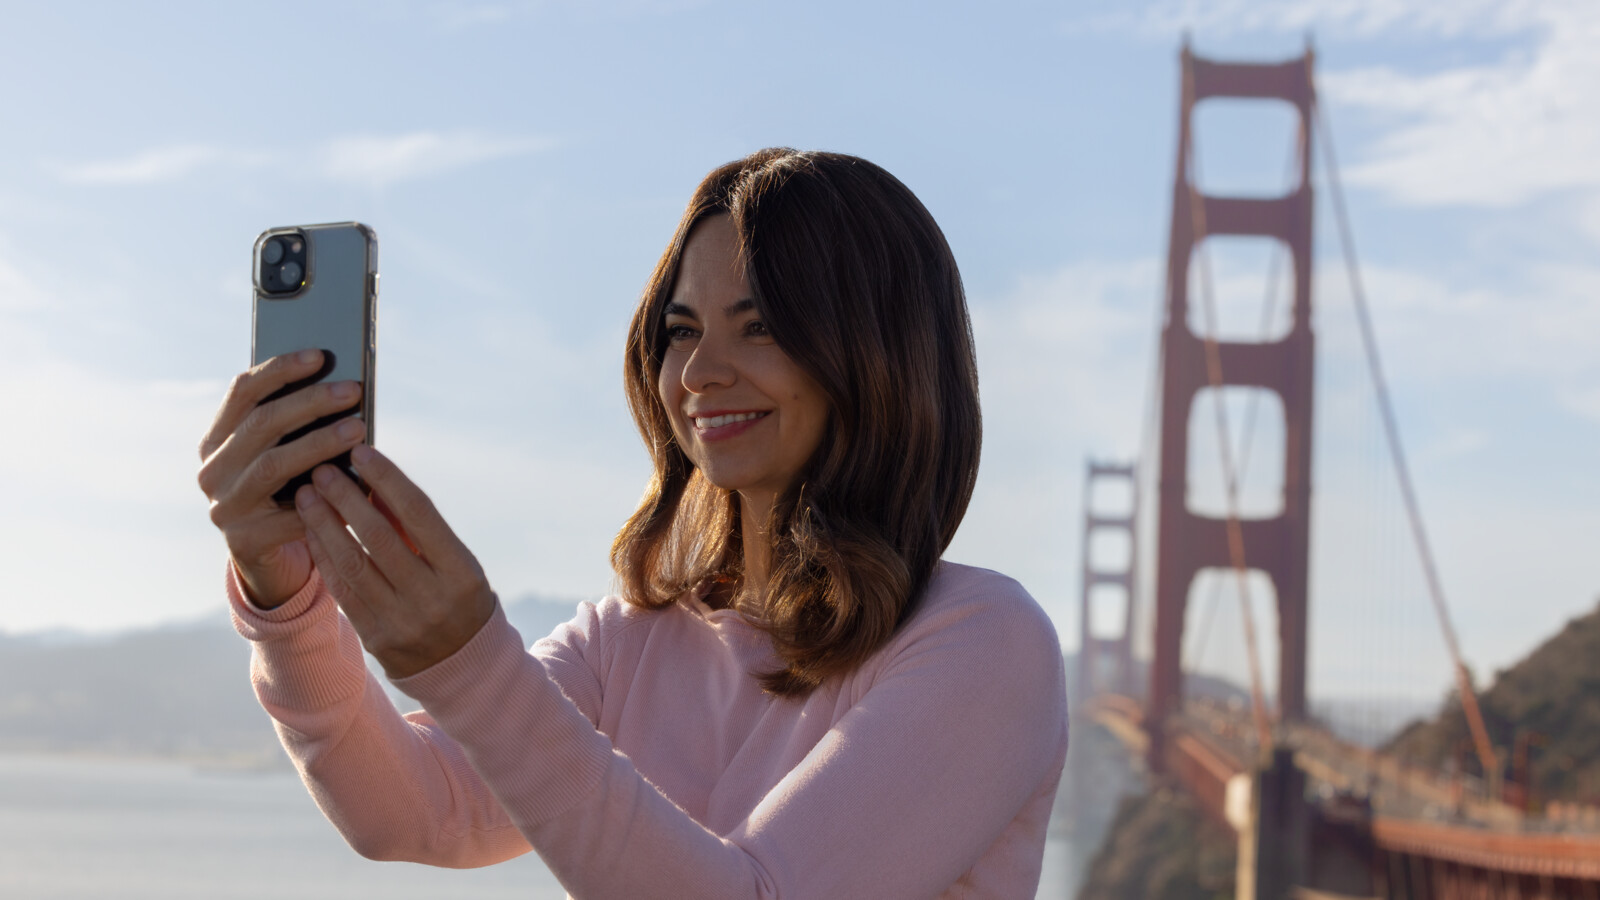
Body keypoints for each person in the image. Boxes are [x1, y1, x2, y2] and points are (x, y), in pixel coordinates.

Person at [198, 148, 1068, 899]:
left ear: (878, 351)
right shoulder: (631, 641)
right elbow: (416, 811)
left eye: (759, 326)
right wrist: (287, 597)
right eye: (681, 330)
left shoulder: (983, 642)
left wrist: (468, 664)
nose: (697, 374)